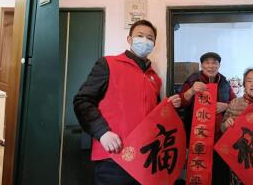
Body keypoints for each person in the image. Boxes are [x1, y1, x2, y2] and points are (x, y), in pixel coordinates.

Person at [73, 19, 181, 184]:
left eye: (150, 38)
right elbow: (82, 100)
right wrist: (102, 132)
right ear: (129, 39)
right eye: (140, 35)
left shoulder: (154, 78)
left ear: (154, 44)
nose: (145, 40)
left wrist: (167, 106)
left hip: (145, 160)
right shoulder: (108, 64)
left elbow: (154, 117)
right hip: (114, 158)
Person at [179, 52, 236, 184]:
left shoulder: (224, 82)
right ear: (202, 65)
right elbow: (181, 103)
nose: (211, 66)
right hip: (197, 137)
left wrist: (225, 106)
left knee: (219, 174)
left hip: (220, 137)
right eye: (207, 62)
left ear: (219, 65)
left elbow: (234, 102)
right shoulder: (192, 80)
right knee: (198, 173)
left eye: (214, 63)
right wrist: (191, 91)